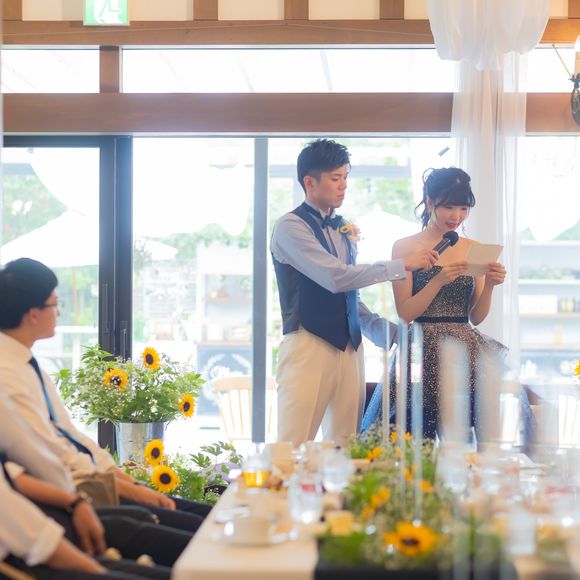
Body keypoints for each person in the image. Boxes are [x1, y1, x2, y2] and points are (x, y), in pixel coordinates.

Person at [0, 257, 210, 534]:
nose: (59, 313)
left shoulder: (26, 363)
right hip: (72, 498)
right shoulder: (8, 375)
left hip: (92, 484)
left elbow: (72, 436)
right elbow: (54, 455)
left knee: (208, 518)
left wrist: (129, 482)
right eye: (54, 304)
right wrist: (129, 490)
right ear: (33, 314)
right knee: (200, 530)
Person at [270, 139, 438, 447]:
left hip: (351, 349)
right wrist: (400, 266)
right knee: (293, 445)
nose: (344, 185)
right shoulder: (289, 227)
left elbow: (349, 297)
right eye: (336, 178)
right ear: (310, 182)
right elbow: (335, 278)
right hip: (308, 345)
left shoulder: (343, 230)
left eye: (346, 177)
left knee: (345, 446)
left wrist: (387, 331)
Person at [390, 166, 508, 439]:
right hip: (421, 350)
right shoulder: (404, 248)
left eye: (464, 208)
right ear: (430, 202)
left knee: (465, 439)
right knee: (417, 438)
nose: (457, 216)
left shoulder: (472, 247)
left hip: (464, 350)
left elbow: (476, 317)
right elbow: (405, 313)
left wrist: (490, 285)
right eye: (449, 207)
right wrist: (437, 281)